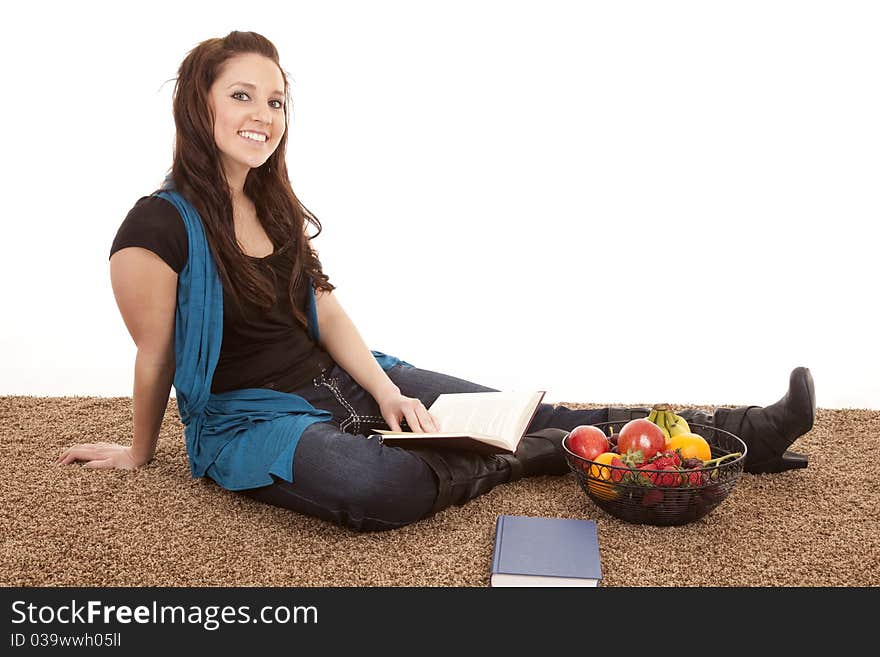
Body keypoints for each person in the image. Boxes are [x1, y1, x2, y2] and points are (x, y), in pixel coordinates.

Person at [56, 31, 816, 532]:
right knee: (374, 487)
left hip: (348, 381)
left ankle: (743, 432)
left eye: (277, 99)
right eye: (243, 95)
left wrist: (386, 392)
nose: (264, 114)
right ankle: (533, 453)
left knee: (526, 405)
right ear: (202, 102)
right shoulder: (152, 230)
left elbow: (322, 306)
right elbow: (155, 356)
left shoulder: (272, 201)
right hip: (250, 422)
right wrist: (141, 451)